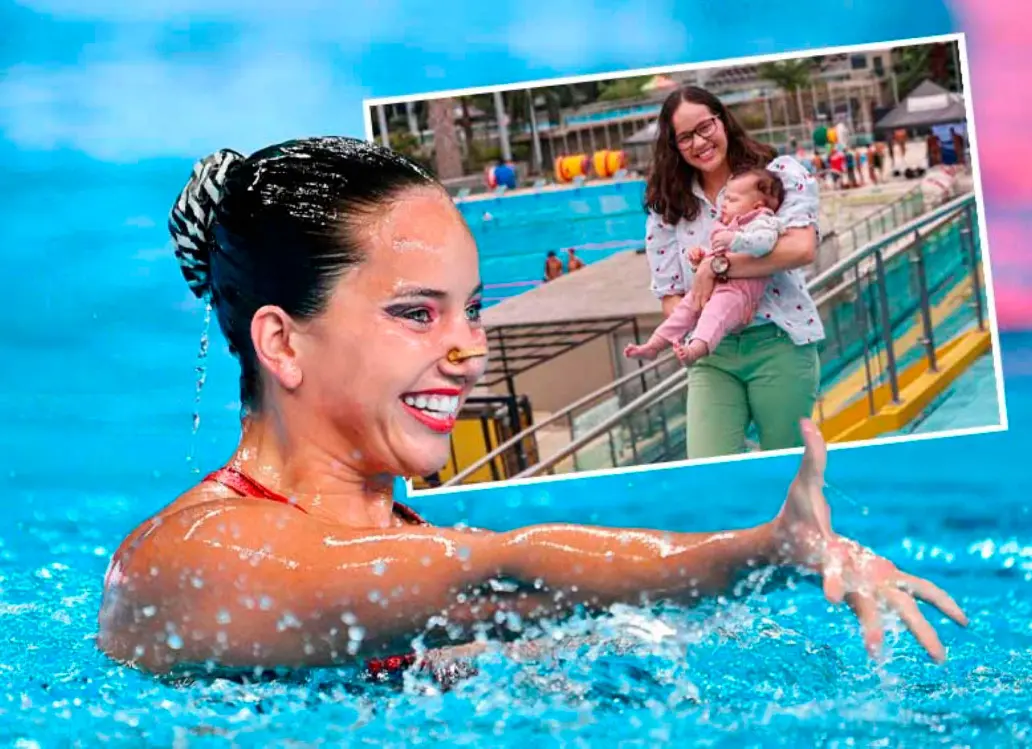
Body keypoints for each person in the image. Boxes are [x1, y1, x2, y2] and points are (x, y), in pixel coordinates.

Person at [96, 136, 967, 687]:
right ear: (282, 343)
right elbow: (501, 569)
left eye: (471, 309)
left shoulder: (405, 537)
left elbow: (507, 602)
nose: (470, 348)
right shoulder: (188, 558)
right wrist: (762, 549)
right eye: (416, 313)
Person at [644, 85, 826, 459]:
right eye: (685, 137)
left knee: (785, 468)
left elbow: (800, 248)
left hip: (778, 343)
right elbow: (670, 293)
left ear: (722, 120)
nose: (699, 142)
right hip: (713, 355)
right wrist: (697, 327)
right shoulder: (669, 208)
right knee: (709, 469)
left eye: (705, 127)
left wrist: (718, 267)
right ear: (673, 146)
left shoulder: (774, 177)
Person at [624, 168, 785, 365]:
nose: (724, 204)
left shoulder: (762, 221)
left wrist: (735, 239)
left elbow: (764, 244)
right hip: (712, 287)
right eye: (725, 198)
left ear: (757, 206)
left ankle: (695, 349)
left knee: (713, 314)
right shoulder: (726, 225)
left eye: (732, 200)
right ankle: (655, 345)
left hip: (738, 292)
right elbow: (716, 257)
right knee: (684, 310)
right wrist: (700, 259)